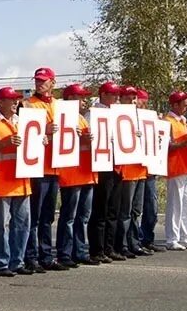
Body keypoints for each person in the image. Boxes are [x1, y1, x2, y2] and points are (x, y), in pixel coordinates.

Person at [0, 86, 32, 277]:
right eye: (11, 99)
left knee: (22, 224)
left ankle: (17, 261)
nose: (16, 103)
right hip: (0, 181)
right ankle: (1, 263)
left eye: (16, 100)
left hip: (21, 181)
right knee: (0, 225)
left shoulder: (22, 121)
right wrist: (4, 143)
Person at [22, 67, 60, 272]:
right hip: (37, 167)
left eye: (43, 80)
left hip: (54, 167)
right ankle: (31, 256)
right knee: (34, 216)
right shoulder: (28, 104)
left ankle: (46, 255)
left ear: (53, 82)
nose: (39, 83)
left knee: (48, 216)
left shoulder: (59, 105)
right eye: (37, 80)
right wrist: (44, 131)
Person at [53, 83, 95, 268]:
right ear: (70, 99)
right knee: (69, 216)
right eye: (81, 97)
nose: (84, 101)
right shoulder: (64, 117)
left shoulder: (82, 118)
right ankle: (65, 252)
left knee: (82, 216)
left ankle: (79, 250)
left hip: (86, 173)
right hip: (72, 174)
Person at [88, 81, 123, 262]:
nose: (116, 98)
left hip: (117, 163)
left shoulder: (118, 114)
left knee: (113, 209)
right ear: (103, 94)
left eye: (117, 94)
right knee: (100, 209)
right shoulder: (94, 113)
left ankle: (110, 247)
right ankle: (97, 249)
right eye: (112, 94)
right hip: (102, 164)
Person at [113, 85, 149, 258]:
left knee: (136, 211)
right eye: (128, 98)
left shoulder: (141, 117)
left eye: (134, 98)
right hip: (127, 170)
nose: (133, 101)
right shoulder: (118, 116)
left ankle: (134, 242)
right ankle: (122, 244)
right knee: (125, 212)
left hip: (141, 169)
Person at [164, 90, 187, 250]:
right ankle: (172, 238)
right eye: (185, 104)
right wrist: (185, 143)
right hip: (176, 166)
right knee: (175, 203)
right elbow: (167, 146)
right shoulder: (167, 121)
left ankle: (185, 236)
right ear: (175, 104)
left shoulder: (183, 121)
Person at [134, 88, 164, 252]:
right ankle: (136, 239)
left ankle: (147, 237)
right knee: (135, 207)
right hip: (136, 168)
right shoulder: (128, 118)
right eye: (141, 101)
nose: (143, 105)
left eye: (145, 102)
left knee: (151, 205)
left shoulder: (149, 118)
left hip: (149, 167)